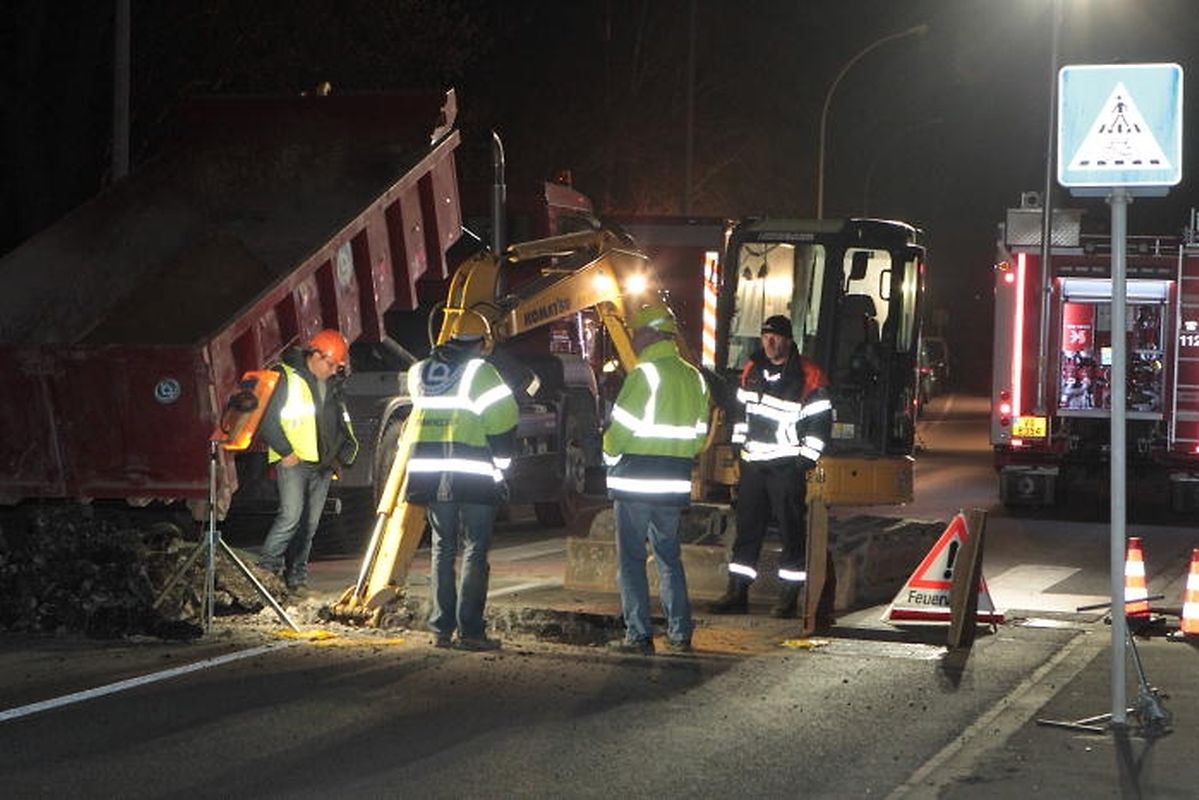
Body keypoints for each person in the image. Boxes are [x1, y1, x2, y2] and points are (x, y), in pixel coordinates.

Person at [709, 314, 835, 623]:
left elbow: (820, 425)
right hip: (754, 466)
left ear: (788, 341)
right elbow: (742, 413)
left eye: (775, 336)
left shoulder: (809, 375)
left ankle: (789, 598)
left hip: (785, 469)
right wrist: (740, 449)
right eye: (765, 336)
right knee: (747, 529)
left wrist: (804, 460)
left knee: (792, 533)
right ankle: (737, 592)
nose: (769, 341)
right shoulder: (753, 369)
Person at [405, 314, 518, 651]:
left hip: (429, 471)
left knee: (442, 548)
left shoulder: (420, 370)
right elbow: (504, 419)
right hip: (472, 473)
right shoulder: (481, 372)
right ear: (483, 342)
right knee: (475, 548)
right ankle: (470, 631)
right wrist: (502, 469)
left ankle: (441, 629)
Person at [604, 302, 711, 655]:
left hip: (635, 483)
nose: (633, 340)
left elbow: (619, 432)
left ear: (650, 334)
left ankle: (638, 634)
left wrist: (609, 457)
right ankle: (680, 634)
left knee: (632, 560)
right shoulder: (693, 376)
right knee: (669, 558)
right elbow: (699, 436)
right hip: (673, 484)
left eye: (636, 333)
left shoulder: (644, 375)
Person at [257, 329, 359, 593]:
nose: (333, 370)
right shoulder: (286, 377)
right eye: (330, 364)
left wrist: (339, 457)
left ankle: (297, 579)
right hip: (294, 461)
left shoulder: (334, 385)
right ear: (314, 355)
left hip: (322, 466)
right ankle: (264, 575)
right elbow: (266, 420)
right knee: (290, 518)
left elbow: (337, 423)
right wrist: (285, 451)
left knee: (309, 526)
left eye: (338, 366)